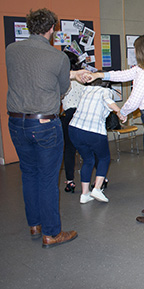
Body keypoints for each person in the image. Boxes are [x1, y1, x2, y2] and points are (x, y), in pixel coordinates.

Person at [6, 8, 85, 248]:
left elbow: (32, 75)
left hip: (16, 122)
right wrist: (71, 76)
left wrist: (72, 74)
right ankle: (52, 233)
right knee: (49, 178)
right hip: (44, 124)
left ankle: (35, 224)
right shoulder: (57, 57)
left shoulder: (11, 50)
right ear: (52, 29)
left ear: (29, 26)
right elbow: (61, 88)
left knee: (29, 174)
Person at [85, 34, 144, 223]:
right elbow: (122, 74)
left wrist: (122, 112)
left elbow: (134, 100)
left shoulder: (143, 73)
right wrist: (100, 74)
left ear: (140, 51)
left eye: (135, 49)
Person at [69, 78, 125, 204]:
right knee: (104, 158)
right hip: (93, 130)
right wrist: (119, 112)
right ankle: (97, 189)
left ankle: (84, 194)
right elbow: (109, 101)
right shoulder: (105, 92)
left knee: (88, 159)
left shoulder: (86, 89)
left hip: (74, 129)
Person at [61, 51, 85, 193]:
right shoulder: (81, 76)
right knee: (88, 147)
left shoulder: (63, 78)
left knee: (69, 150)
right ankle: (101, 179)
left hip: (69, 115)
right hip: (82, 113)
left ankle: (70, 181)